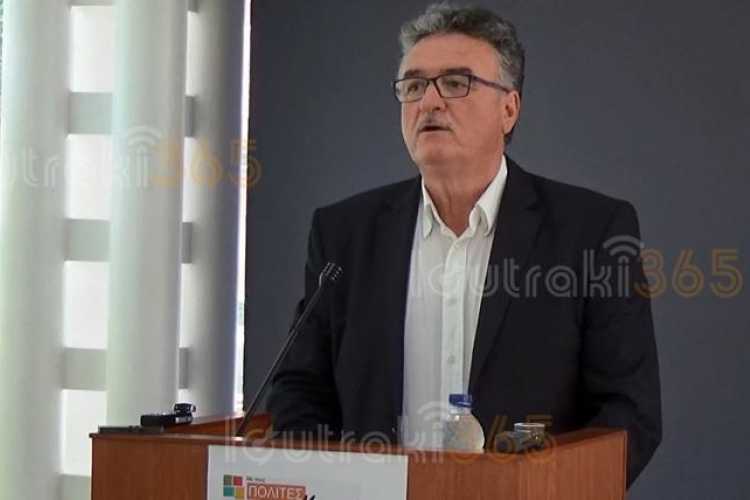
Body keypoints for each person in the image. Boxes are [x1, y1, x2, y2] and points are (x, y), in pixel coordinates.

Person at [268, 3, 661, 488]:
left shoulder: (590, 231)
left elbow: (629, 413)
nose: (430, 101)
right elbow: (300, 389)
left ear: (508, 109)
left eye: (456, 83)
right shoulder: (344, 234)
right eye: (414, 86)